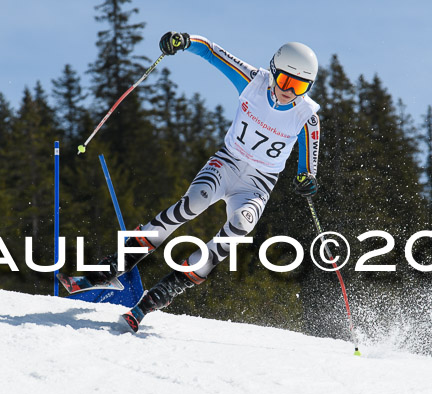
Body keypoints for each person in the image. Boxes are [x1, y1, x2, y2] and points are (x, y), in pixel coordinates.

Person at [89, 32, 322, 332]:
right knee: (194, 202)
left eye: (299, 85)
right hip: (227, 163)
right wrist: (184, 41)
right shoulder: (253, 82)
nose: (289, 90)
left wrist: (308, 180)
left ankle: (164, 291)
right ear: (274, 71)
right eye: (285, 81)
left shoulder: (307, 116)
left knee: (240, 227)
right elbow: (213, 52)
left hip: (258, 184)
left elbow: (309, 167)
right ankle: (119, 263)